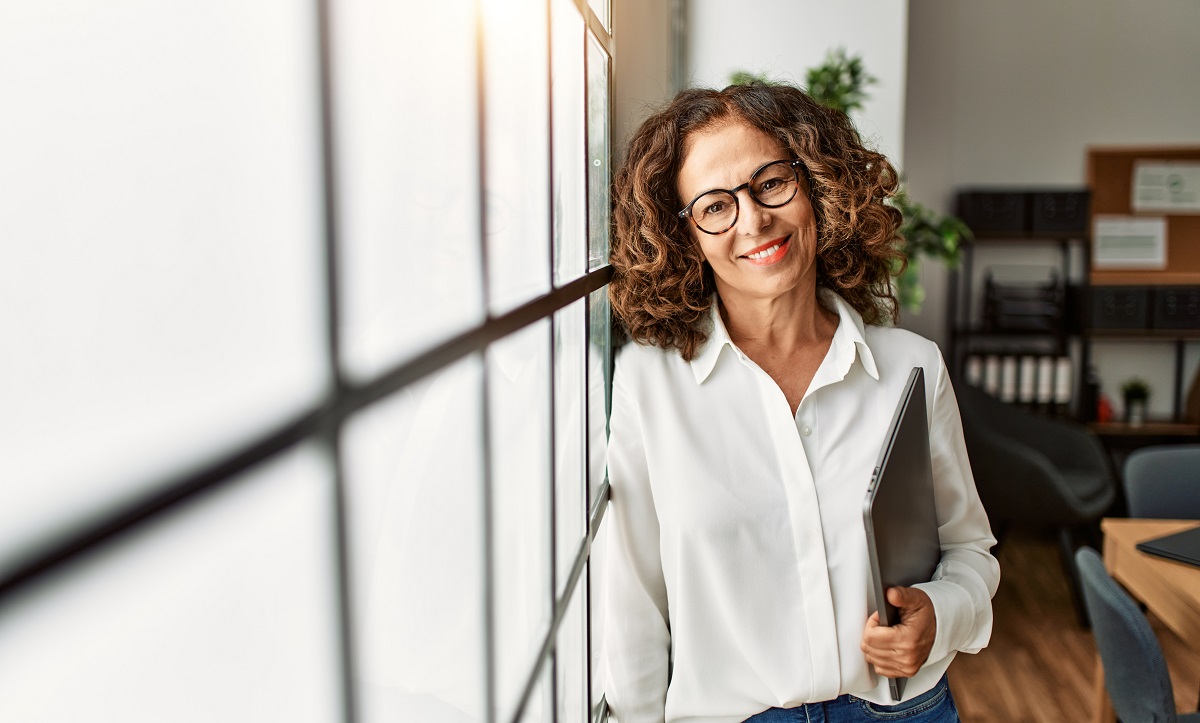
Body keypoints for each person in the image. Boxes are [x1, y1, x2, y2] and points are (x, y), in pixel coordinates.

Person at [603, 82, 999, 723]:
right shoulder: (650, 386)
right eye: (714, 206)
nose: (753, 220)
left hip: (903, 713)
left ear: (815, 183)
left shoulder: (910, 369)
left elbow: (971, 553)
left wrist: (939, 617)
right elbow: (632, 608)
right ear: (687, 238)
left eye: (770, 184)